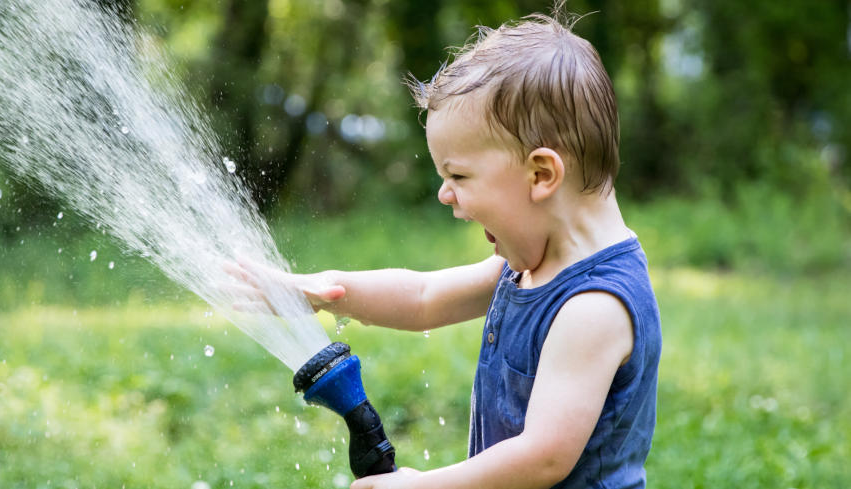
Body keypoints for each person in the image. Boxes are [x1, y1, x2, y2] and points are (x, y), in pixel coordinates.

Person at [226, 8, 661, 489]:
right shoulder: (528, 268)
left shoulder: (593, 307)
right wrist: (328, 290)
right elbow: (423, 296)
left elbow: (543, 458)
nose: (444, 193)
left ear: (541, 174)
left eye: (458, 175)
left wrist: (423, 485)